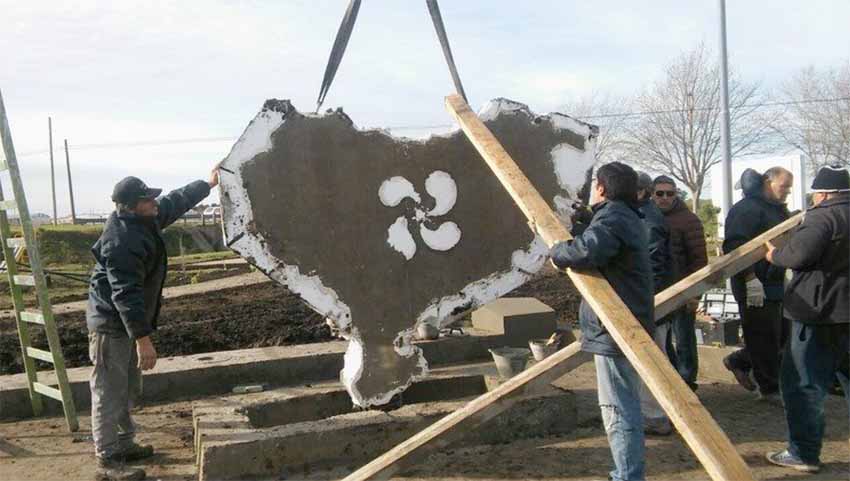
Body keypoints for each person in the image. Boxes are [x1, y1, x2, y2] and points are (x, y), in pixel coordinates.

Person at [87, 166, 220, 481]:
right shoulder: (121, 240)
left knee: (127, 387)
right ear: (133, 206)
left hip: (124, 323)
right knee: (109, 389)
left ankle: (123, 444)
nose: (155, 203)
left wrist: (208, 183)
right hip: (111, 324)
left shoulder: (144, 220)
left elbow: (176, 200)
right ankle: (107, 462)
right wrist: (143, 340)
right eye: (148, 199)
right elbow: (125, 295)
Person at [551, 162, 653, 481]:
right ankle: (625, 472)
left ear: (602, 188)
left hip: (614, 327)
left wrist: (557, 252)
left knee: (617, 408)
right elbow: (601, 238)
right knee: (623, 402)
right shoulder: (626, 215)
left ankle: (627, 475)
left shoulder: (614, 218)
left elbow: (588, 250)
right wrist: (586, 218)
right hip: (623, 323)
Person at [763, 165, 849, 473]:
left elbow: (797, 256)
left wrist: (776, 256)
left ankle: (803, 452)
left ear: (823, 193)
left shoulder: (821, 217)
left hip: (817, 314)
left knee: (803, 384)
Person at [722, 167, 792, 402]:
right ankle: (769, 388)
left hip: (773, 281)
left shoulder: (776, 210)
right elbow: (735, 247)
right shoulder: (745, 211)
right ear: (768, 182)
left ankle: (740, 360)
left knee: (781, 335)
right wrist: (750, 278)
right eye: (784, 187)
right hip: (753, 283)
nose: (787, 192)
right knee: (763, 336)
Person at [652, 175, 707, 390]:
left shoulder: (689, 220)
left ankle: (687, 382)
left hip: (684, 292)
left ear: (676, 194)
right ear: (652, 194)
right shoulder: (648, 217)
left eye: (670, 193)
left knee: (684, 340)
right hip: (658, 291)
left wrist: (695, 294)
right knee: (662, 341)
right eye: (660, 193)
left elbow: (700, 261)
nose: (665, 198)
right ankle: (674, 381)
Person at [636, 172, 674, 436]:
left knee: (653, 358)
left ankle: (655, 415)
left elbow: (652, 266)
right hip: (652, 300)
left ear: (639, 193)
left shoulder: (648, 222)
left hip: (651, 302)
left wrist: (647, 302)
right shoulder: (645, 217)